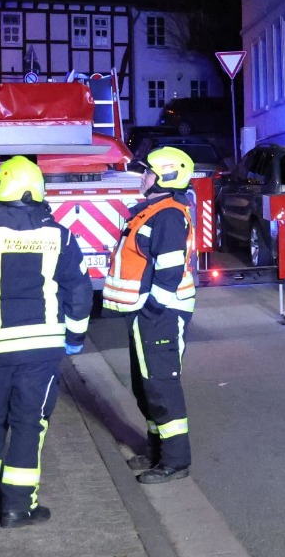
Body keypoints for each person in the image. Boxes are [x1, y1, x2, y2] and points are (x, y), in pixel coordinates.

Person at [0, 155, 89, 528]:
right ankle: (17, 509)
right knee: (29, 425)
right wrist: (75, 336)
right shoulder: (61, 236)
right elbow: (79, 289)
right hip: (41, 352)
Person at [103, 145, 196, 483]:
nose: (143, 177)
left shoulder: (167, 215)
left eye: (148, 172)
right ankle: (158, 452)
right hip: (147, 312)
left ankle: (175, 461)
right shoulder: (154, 210)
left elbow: (169, 270)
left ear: (165, 177)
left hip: (160, 313)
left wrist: (153, 309)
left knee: (161, 386)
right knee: (146, 386)